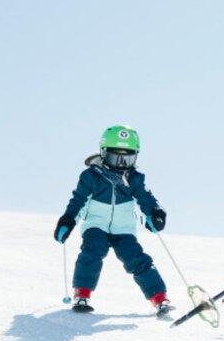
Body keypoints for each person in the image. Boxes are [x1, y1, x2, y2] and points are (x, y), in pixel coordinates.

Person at [53, 125, 174, 317]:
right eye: (115, 157)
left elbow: (146, 199)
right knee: (93, 250)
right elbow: (78, 201)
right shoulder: (91, 177)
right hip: (96, 225)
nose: (120, 164)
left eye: (127, 158)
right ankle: (82, 294)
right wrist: (68, 221)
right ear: (103, 154)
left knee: (137, 259)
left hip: (123, 229)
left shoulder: (135, 179)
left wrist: (155, 213)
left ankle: (159, 298)